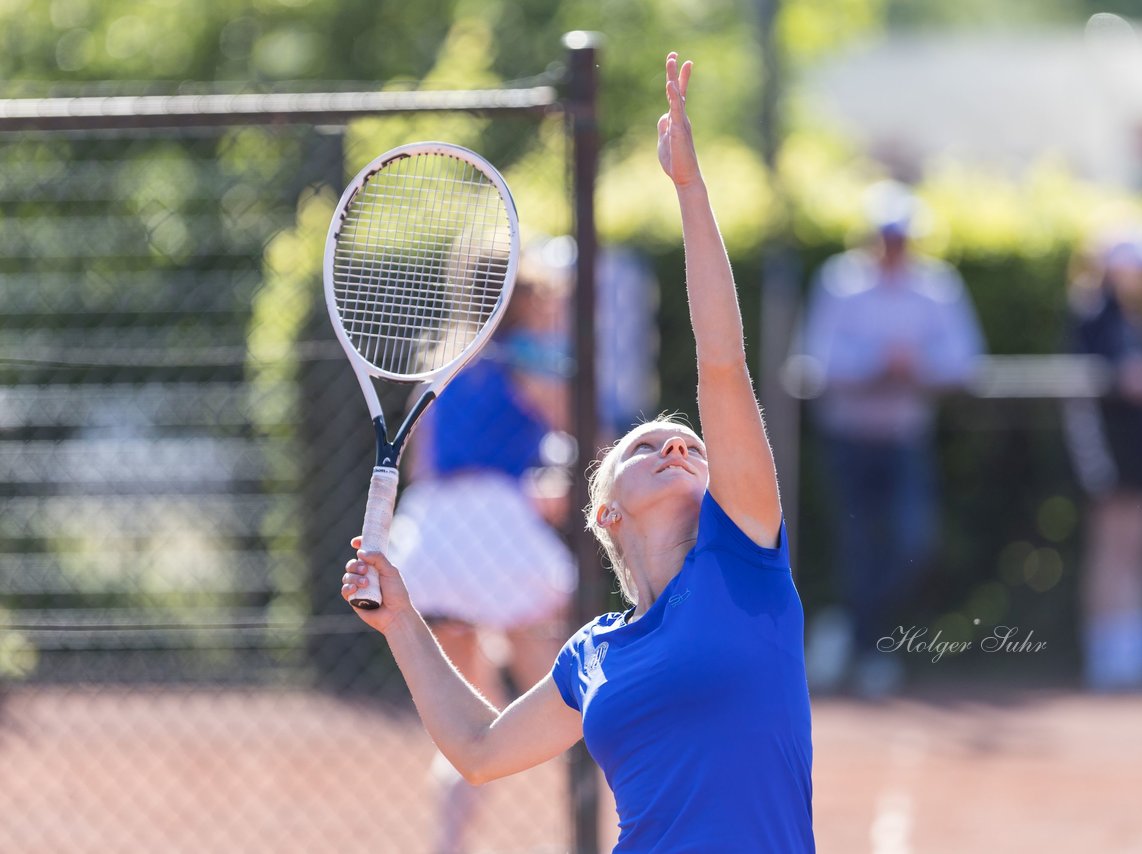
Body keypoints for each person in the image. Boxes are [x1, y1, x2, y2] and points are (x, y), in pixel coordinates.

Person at [341, 53, 815, 852]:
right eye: (645, 445)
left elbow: (722, 362)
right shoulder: (591, 653)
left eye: (690, 442)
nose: (676, 440)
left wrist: (691, 192)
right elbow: (482, 749)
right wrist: (400, 623)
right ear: (605, 511)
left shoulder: (747, 567)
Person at [388, 251, 575, 853]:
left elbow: (425, 466)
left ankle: (448, 848)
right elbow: (583, 439)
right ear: (523, 299)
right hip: (496, 532)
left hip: (433, 537)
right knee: (567, 706)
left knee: (467, 723)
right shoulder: (531, 359)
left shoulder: (441, 363)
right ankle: (603, 831)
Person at [799, 181, 984, 697]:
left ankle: (855, 636)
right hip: (849, 436)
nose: (893, 245)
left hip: (905, 437)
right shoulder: (839, 283)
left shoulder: (936, 286)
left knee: (912, 542)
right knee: (858, 545)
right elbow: (820, 360)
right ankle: (867, 648)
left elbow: (965, 360)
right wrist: (881, 364)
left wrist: (915, 366)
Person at [1061, 225, 1142, 692]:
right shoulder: (1093, 314)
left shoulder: (1130, 314)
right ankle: (1107, 657)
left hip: (1138, 452)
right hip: (1111, 453)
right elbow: (1090, 391)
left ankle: (1134, 654)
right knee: (1111, 549)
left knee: (1136, 549)